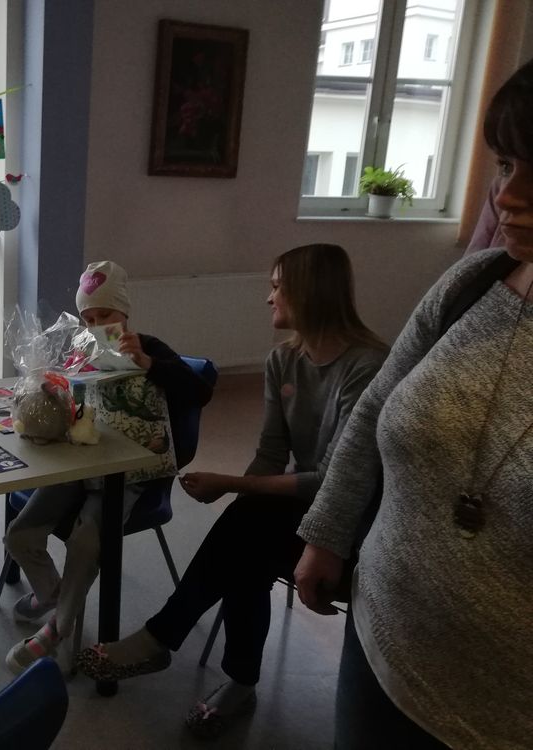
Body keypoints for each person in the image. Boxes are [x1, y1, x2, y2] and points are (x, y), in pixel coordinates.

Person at [295, 59, 533, 750]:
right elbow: (375, 409)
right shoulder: (474, 282)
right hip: (380, 642)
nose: (507, 195)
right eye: (505, 163)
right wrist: (326, 535)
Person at [76, 244, 388, 740]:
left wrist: (231, 486)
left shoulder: (368, 367)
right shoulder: (282, 360)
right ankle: (224, 675)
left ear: (309, 291)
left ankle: (175, 645)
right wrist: (244, 501)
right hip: (298, 511)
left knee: (248, 539)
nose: (269, 297)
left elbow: (337, 480)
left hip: (355, 526)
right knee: (247, 542)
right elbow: (270, 453)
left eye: (277, 286)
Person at [4, 260, 213, 673]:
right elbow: (75, 399)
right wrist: (50, 391)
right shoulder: (83, 348)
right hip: (82, 463)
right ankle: (53, 594)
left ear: (125, 312)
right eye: (89, 318)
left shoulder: (149, 348)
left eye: (106, 316)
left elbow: (200, 392)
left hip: (129, 474)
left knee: (86, 540)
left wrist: (149, 364)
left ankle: (58, 629)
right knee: (20, 533)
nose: (98, 326)